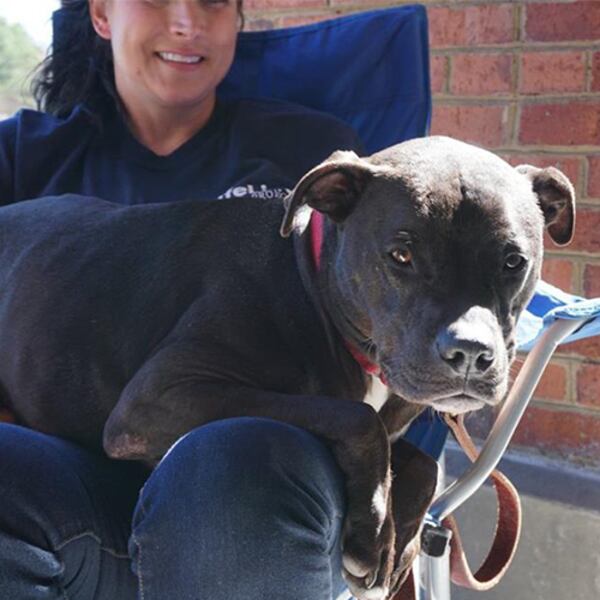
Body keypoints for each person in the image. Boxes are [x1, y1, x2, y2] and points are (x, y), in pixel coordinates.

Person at [0, 1, 364, 598]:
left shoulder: (315, 155)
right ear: (100, 14)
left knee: (225, 466)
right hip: (70, 502)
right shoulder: (24, 158)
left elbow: (391, 315)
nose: (187, 22)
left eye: (213, 1)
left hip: (255, 501)